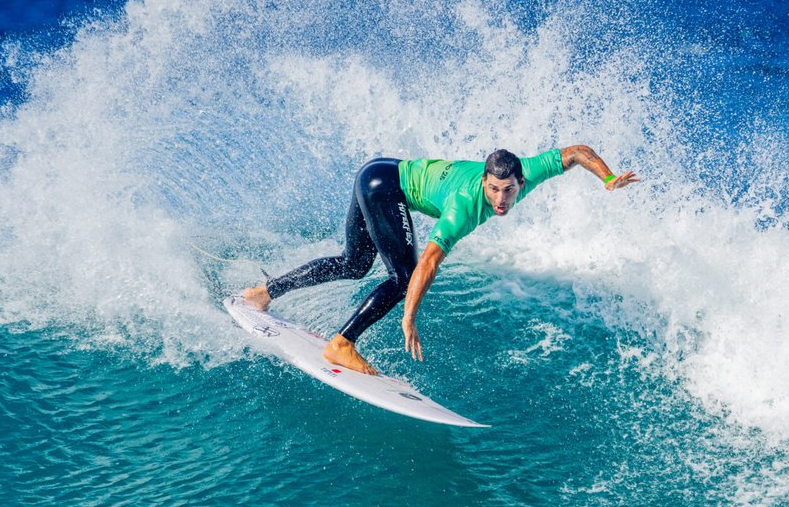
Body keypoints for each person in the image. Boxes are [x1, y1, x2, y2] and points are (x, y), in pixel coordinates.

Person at [239, 146, 640, 374]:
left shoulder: (528, 172)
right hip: (384, 187)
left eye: (510, 190)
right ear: (484, 181)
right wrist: (409, 315)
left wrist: (607, 178)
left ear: (522, 182)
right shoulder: (464, 207)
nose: (502, 200)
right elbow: (429, 260)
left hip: (375, 172)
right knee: (403, 278)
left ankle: (263, 293)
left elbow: (576, 153)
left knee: (353, 263)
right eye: (495, 189)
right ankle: (341, 343)